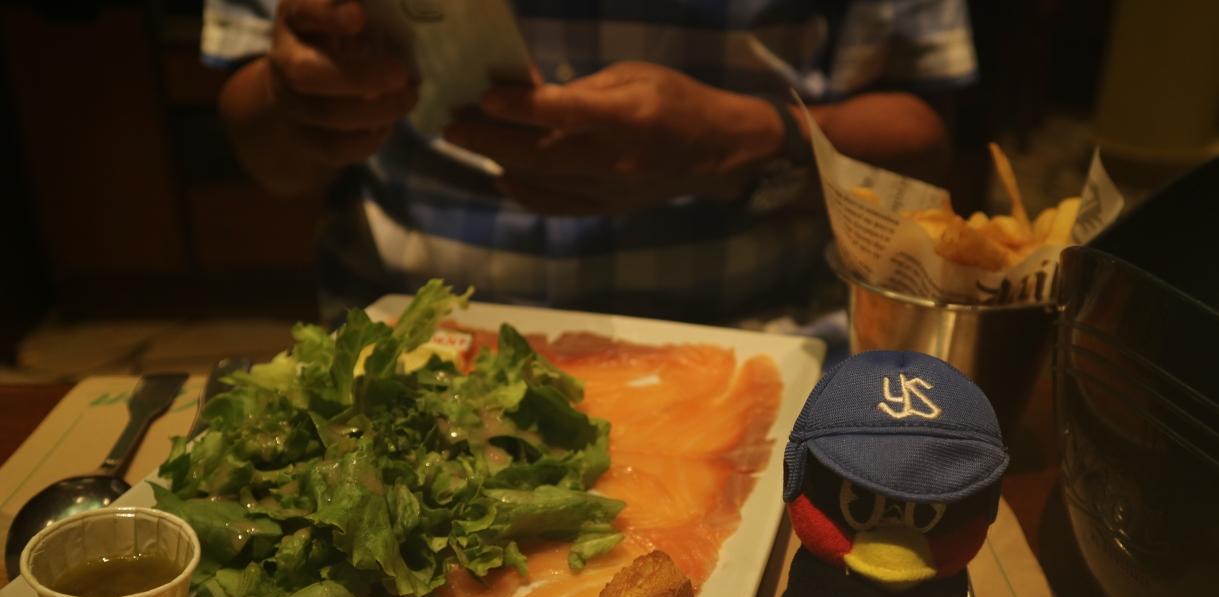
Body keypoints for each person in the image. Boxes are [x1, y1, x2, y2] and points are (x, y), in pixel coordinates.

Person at [203, 1, 978, 324]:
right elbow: (264, 157)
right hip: (403, 342)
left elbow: (926, 153)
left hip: (761, 339)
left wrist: (740, 145)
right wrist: (302, 102)